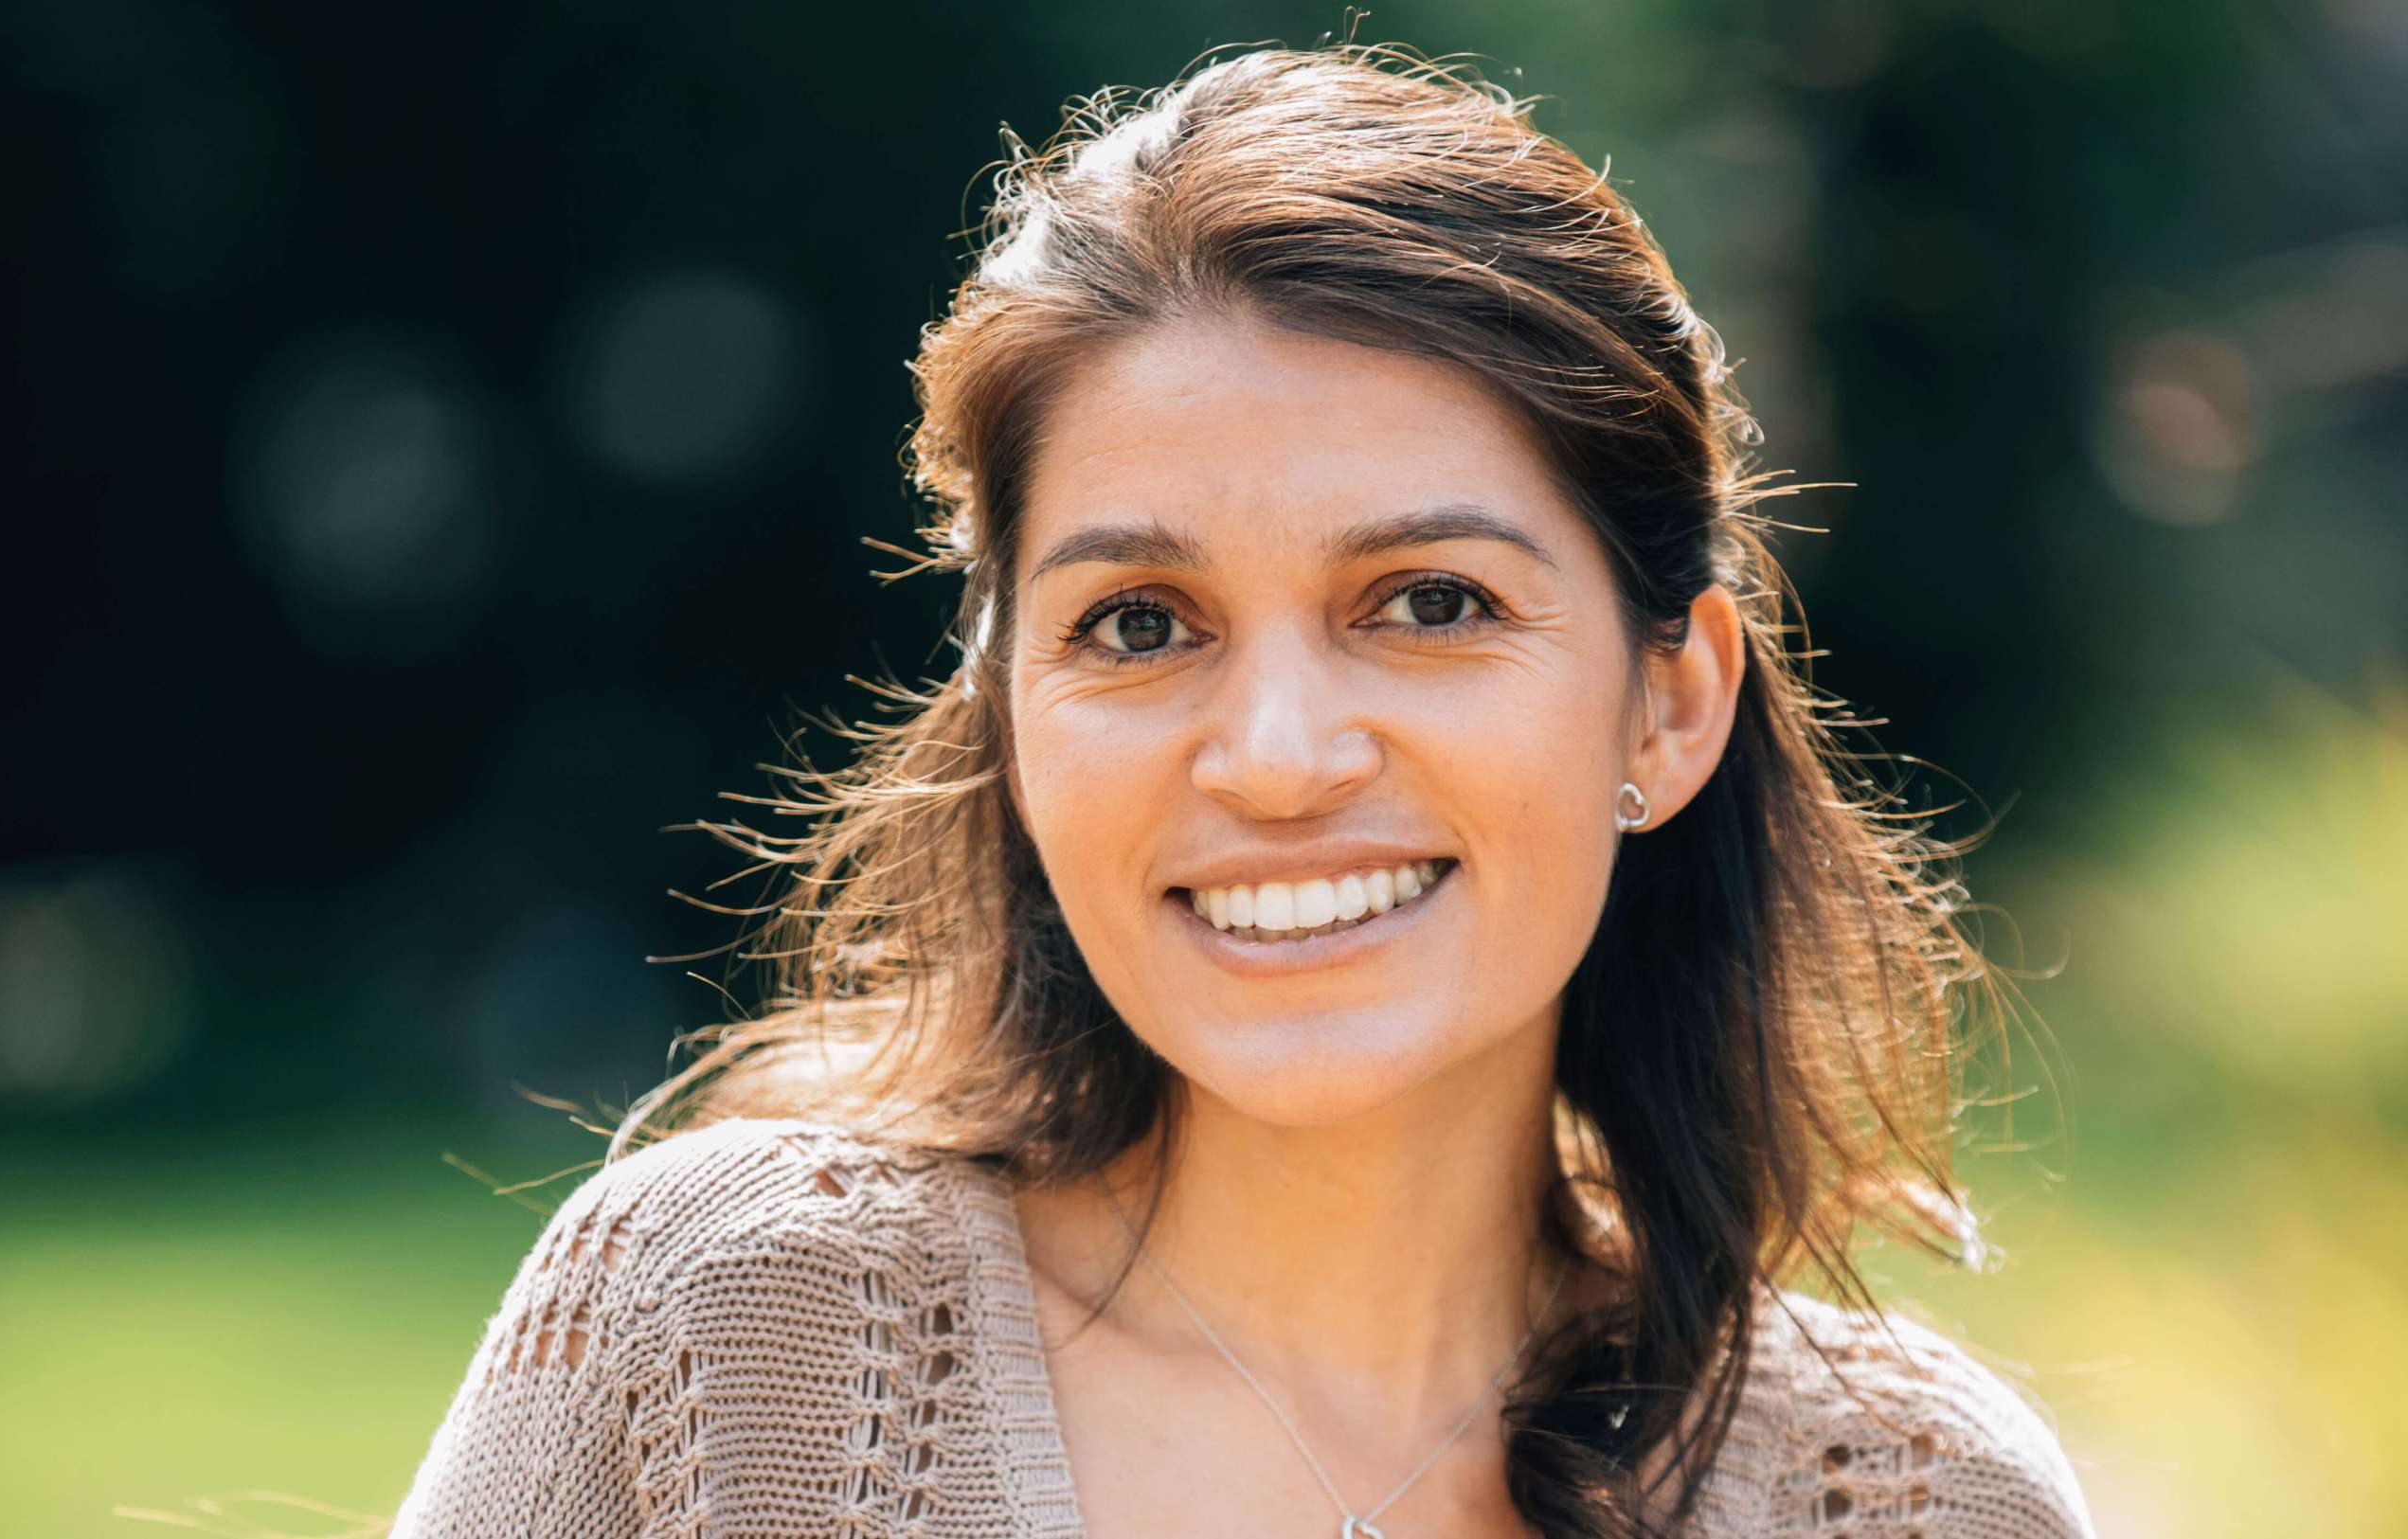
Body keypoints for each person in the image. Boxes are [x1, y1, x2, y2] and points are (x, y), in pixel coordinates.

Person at [387, 43, 2097, 1539]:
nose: (1277, 759)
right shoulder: (719, 1340)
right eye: (1139, 624)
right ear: (1008, 715)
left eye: (1432, 602)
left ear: (1668, 705)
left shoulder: (1923, 1501)